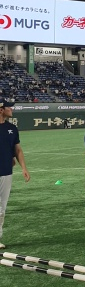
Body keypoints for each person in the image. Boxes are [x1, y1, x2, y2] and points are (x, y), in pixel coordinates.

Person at [0, 99, 30, 250]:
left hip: (6, 172)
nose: (12, 109)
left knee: (2, 208)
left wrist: (23, 168)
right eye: (9, 107)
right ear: (1, 109)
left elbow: (17, 149)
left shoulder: (12, 128)